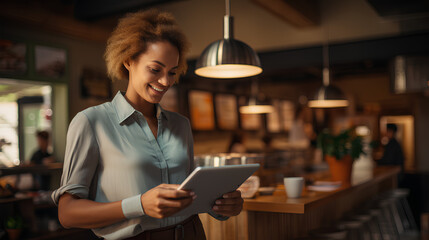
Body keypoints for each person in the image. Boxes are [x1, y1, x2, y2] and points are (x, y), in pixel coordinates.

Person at [51, 9, 243, 240]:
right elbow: (67, 213)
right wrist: (139, 204)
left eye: (172, 72)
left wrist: (223, 206)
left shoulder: (181, 125)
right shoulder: (91, 122)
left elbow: (192, 195)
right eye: (155, 69)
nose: (165, 81)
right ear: (128, 60)